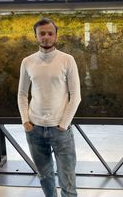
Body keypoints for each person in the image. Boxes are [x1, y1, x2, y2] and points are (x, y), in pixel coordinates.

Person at [17, 18, 81, 197]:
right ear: (36, 36)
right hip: (35, 129)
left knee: (67, 178)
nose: (46, 37)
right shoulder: (27, 62)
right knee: (45, 176)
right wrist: (25, 122)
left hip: (60, 130)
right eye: (42, 33)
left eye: (50, 33)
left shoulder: (67, 60)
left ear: (56, 36)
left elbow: (76, 96)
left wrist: (64, 124)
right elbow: (22, 94)